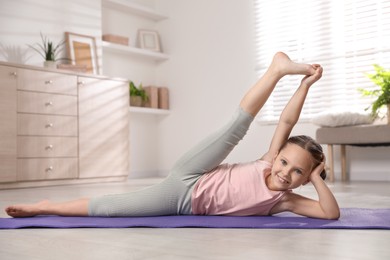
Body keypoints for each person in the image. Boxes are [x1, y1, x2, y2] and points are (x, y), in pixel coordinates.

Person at [5, 52, 340, 220]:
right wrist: (304, 84)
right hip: (193, 173)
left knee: (109, 209)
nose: (284, 172)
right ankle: (277, 68)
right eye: (285, 162)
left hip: (182, 201)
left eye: (297, 172)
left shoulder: (284, 201)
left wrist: (316, 176)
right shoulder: (268, 162)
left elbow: (330, 213)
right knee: (236, 128)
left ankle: (46, 206)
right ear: (277, 155)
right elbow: (286, 121)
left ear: (302, 180)